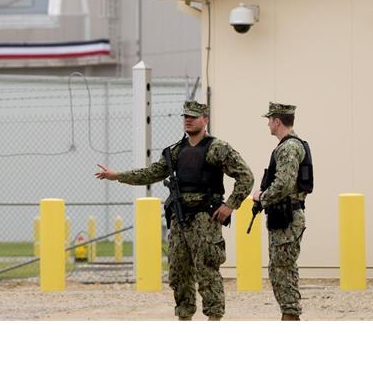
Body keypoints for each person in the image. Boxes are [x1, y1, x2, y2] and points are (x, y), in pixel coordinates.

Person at [95, 100, 253, 320]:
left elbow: (246, 176)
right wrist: (118, 175)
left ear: (205, 120)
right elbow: (151, 173)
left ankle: (215, 318)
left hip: (205, 219)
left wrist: (230, 205)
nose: (188, 120)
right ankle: (184, 316)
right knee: (178, 273)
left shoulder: (218, 148)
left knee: (207, 271)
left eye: (193, 116)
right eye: (185, 116)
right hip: (179, 220)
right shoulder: (175, 151)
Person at [251, 102, 313, 321]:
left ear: (277, 121)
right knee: (282, 267)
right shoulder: (290, 146)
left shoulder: (288, 147)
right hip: (284, 217)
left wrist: (262, 197)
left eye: (270, 119)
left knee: (282, 269)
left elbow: (284, 183)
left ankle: (290, 315)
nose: (268, 124)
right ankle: (289, 313)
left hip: (287, 217)